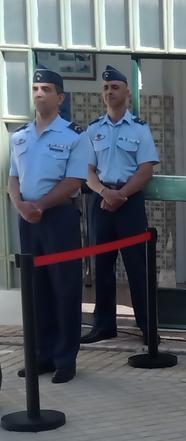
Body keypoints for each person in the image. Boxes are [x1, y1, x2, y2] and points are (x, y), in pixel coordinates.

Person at [8, 66, 91, 384]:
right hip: (28, 220)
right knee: (35, 290)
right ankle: (40, 355)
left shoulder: (74, 136)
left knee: (65, 288)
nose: (39, 94)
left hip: (58, 219)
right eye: (35, 89)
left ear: (60, 97)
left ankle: (65, 358)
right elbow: (13, 178)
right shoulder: (20, 137)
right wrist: (20, 205)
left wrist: (40, 205)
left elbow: (74, 181)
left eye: (46, 89)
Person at [81, 64, 159, 344]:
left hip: (129, 203)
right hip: (101, 203)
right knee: (102, 266)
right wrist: (105, 192)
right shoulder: (93, 130)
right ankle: (103, 326)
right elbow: (87, 171)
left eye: (115, 86)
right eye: (105, 88)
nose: (109, 91)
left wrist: (121, 194)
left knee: (138, 267)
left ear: (127, 91)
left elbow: (146, 170)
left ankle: (148, 328)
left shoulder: (139, 129)